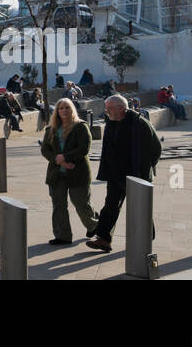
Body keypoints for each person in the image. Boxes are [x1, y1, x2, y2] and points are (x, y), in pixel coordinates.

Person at [86, 94, 161, 252]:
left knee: (141, 207)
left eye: (109, 108)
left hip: (137, 174)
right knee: (110, 207)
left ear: (121, 108)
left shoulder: (140, 123)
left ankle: (146, 238)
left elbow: (156, 148)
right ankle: (104, 239)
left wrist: (147, 166)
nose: (106, 111)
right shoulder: (111, 123)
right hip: (116, 175)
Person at [41, 98, 98, 245]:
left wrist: (65, 157)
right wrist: (58, 160)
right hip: (56, 174)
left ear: (72, 109)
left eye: (67, 107)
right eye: (61, 108)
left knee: (81, 203)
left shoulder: (80, 127)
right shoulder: (51, 128)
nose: (64, 110)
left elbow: (84, 148)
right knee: (59, 205)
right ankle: (62, 236)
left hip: (78, 173)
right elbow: (45, 149)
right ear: (57, 111)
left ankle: (95, 225)